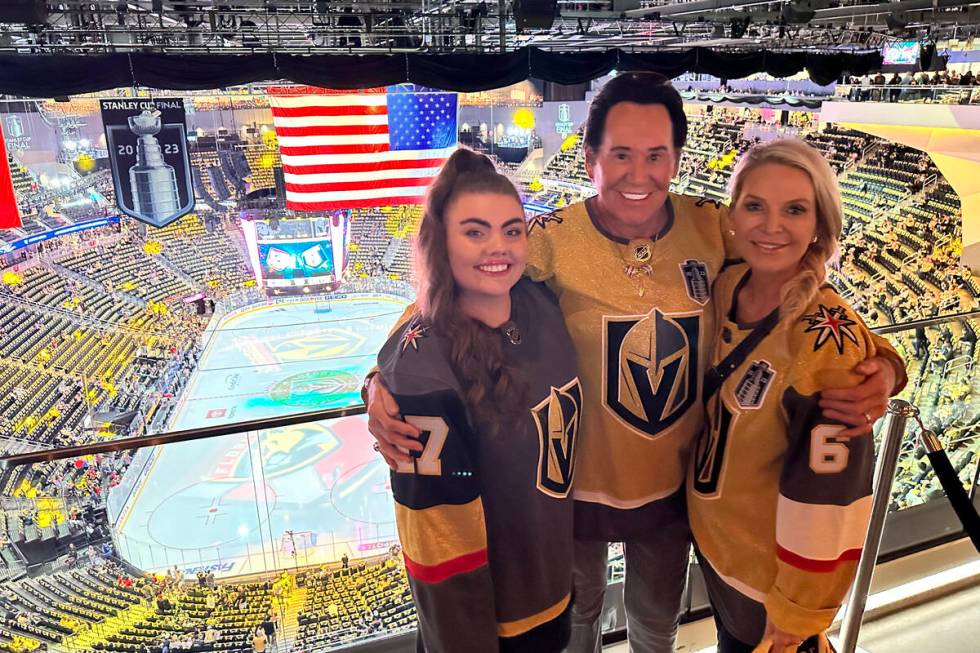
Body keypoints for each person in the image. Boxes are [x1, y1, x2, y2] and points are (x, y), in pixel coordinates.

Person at [366, 73, 904, 653]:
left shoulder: (712, 226)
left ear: (677, 158)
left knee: (655, 626)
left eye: (656, 155)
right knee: (579, 623)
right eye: (620, 154)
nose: (638, 174)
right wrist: (377, 381)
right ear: (591, 156)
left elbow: (794, 283)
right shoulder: (551, 237)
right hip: (573, 491)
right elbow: (450, 293)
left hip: (674, 491)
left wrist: (886, 364)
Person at [376, 148, 579, 652]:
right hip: (489, 628)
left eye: (512, 230)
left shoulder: (543, 303)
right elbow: (439, 550)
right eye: (474, 231)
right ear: (440, 242)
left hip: (554, 594)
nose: (499, 247)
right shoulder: (423, 368)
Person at [689, 139, 878, 652]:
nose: (771, 227)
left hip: (769, 584)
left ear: (819, 223)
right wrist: (890, 361)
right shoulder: (729, 283)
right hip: (719, 549)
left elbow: (832, 497)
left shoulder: (826, 341)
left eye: (794, 210)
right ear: (733, 214)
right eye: (755, 206)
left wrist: (800, 611)